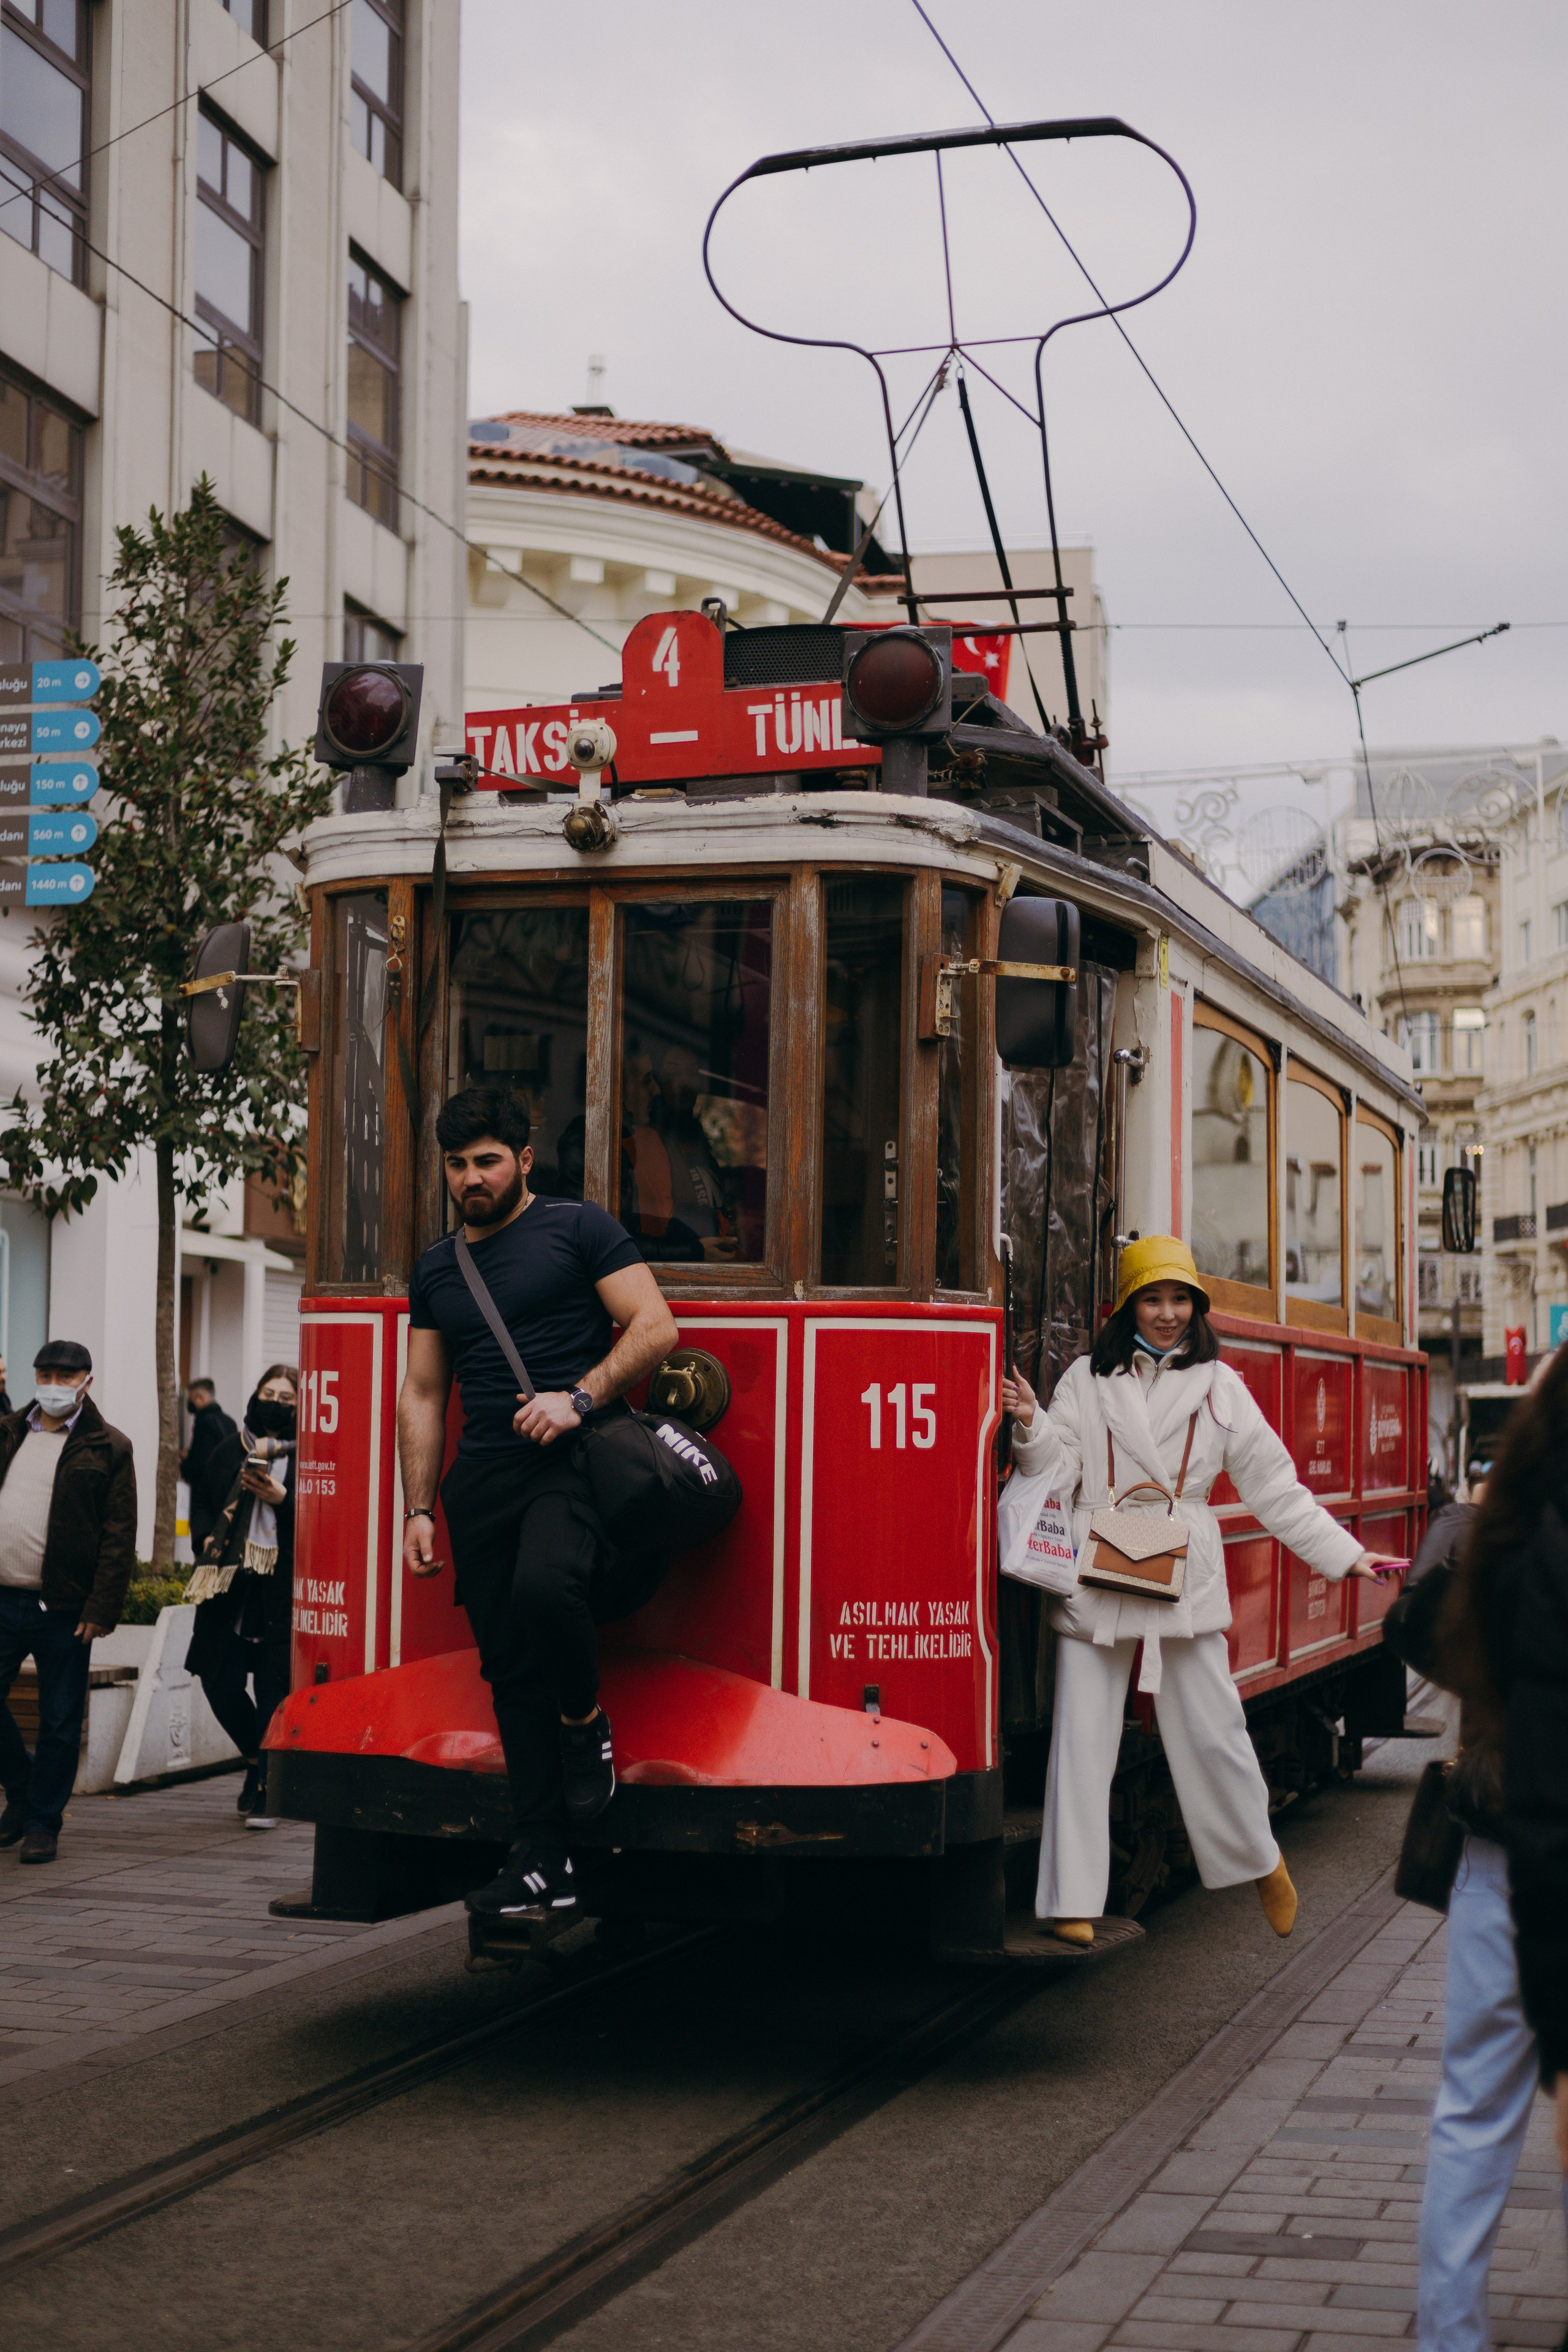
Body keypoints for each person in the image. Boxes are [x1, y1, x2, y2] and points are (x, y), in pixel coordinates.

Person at [1001, 1237, 1400, 1946]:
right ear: (1125, 1306)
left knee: (1215, 1730)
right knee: (1082, 1737)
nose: (1166, 1313)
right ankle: (1071, 1897)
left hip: (1179, 1569)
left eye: (1179, 1299)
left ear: (1196, 1306)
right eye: (1151, 1299)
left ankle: (1260, 1858)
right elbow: (1056, 1470)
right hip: (1101, 1564)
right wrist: (1031, 1423)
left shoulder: (1222, 1388)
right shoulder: (1084, 1383)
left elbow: (1277, 1490)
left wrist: (1344, 1555)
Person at [399, 1086, 679, 1926]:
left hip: (568, 1461)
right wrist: (418, 1507)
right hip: (480, 1480)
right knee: (508, 1669)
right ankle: (541, 1860)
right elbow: (422, 1391)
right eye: (457, 1164)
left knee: (544, 1590)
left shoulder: (579, 1227)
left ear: (524, 1160)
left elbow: (655, 1327)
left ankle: (585, 1720)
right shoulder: (437, 1267)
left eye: (487, 1160)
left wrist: (578, 1399)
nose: (471, 1178)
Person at [1409, 1345, 1568, 2352]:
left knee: (1472, 2109)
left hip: (1495, 1848)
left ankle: (1450, 2333)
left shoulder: (1497, 1543)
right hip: (1535, 1852)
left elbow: (1424, 1660)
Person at [0, 1341, 137, 1864]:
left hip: (62, 1608)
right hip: (2, 1597)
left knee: (59, 1719)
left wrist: (101, 1608)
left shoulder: (109, 1446)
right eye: (46, 1373)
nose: (54, 1384)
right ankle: (22, 1787)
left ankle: (41, 1824)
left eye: (66, 1375)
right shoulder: (9, 1430)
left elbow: (118, 1535)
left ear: (86, 1381)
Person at [183, 1365, 298, 1828]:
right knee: (218, 1680)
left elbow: (329, 1518)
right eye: (269, 1393)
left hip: (282, 1584)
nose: (275, 1402)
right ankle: (255, 1760)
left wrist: (281, 1498)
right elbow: (205, 1503)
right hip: (230, 1581)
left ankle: (269, 1788)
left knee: (274, 1689)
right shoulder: (231, 1448)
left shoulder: (314, 1453)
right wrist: (208, 1546)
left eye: (286, 1398)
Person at [180, 1378, 237, 1558]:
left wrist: (184, 1464)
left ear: (200, 1399)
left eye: (191, 1399)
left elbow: (200, 1463)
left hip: (206, 1499)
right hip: (228, 1496)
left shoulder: (204, 1422)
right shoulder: (229, 1422)